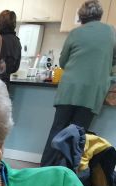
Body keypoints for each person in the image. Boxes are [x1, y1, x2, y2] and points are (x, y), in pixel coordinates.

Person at [40, 0, 116, 166]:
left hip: (69, 89)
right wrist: (107, 72)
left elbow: (63, 61)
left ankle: (45, 168)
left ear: (81, 17)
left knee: (57, 130)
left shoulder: (75, 33)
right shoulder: (111, 32)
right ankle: (67, 172)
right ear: (100, 15)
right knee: (78, 135)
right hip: (92, 92)